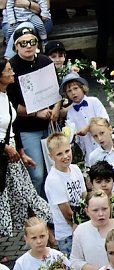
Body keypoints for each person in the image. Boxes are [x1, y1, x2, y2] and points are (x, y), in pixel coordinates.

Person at [0, 55, 50, 236]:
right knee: (12, 196)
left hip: (12, 153)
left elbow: (13, 126)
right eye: (8, 70)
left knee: (24, 193)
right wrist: (5, 147)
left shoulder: (5, 95)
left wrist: (20, 151)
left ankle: (47, 229)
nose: (12, 72)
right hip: (5, 152)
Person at [8, 26, 59, 197]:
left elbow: (57, 92)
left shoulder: (46, 61)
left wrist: (55, 110)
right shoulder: (12, 68)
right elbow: (12, 105)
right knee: (37, 174)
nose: (28, 46)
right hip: (27, 128)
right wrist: (37, 113)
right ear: (16, 46)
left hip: (50, 124)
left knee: (54, 169)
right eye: (23, 43)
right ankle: (35, 211)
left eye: (32, 42)